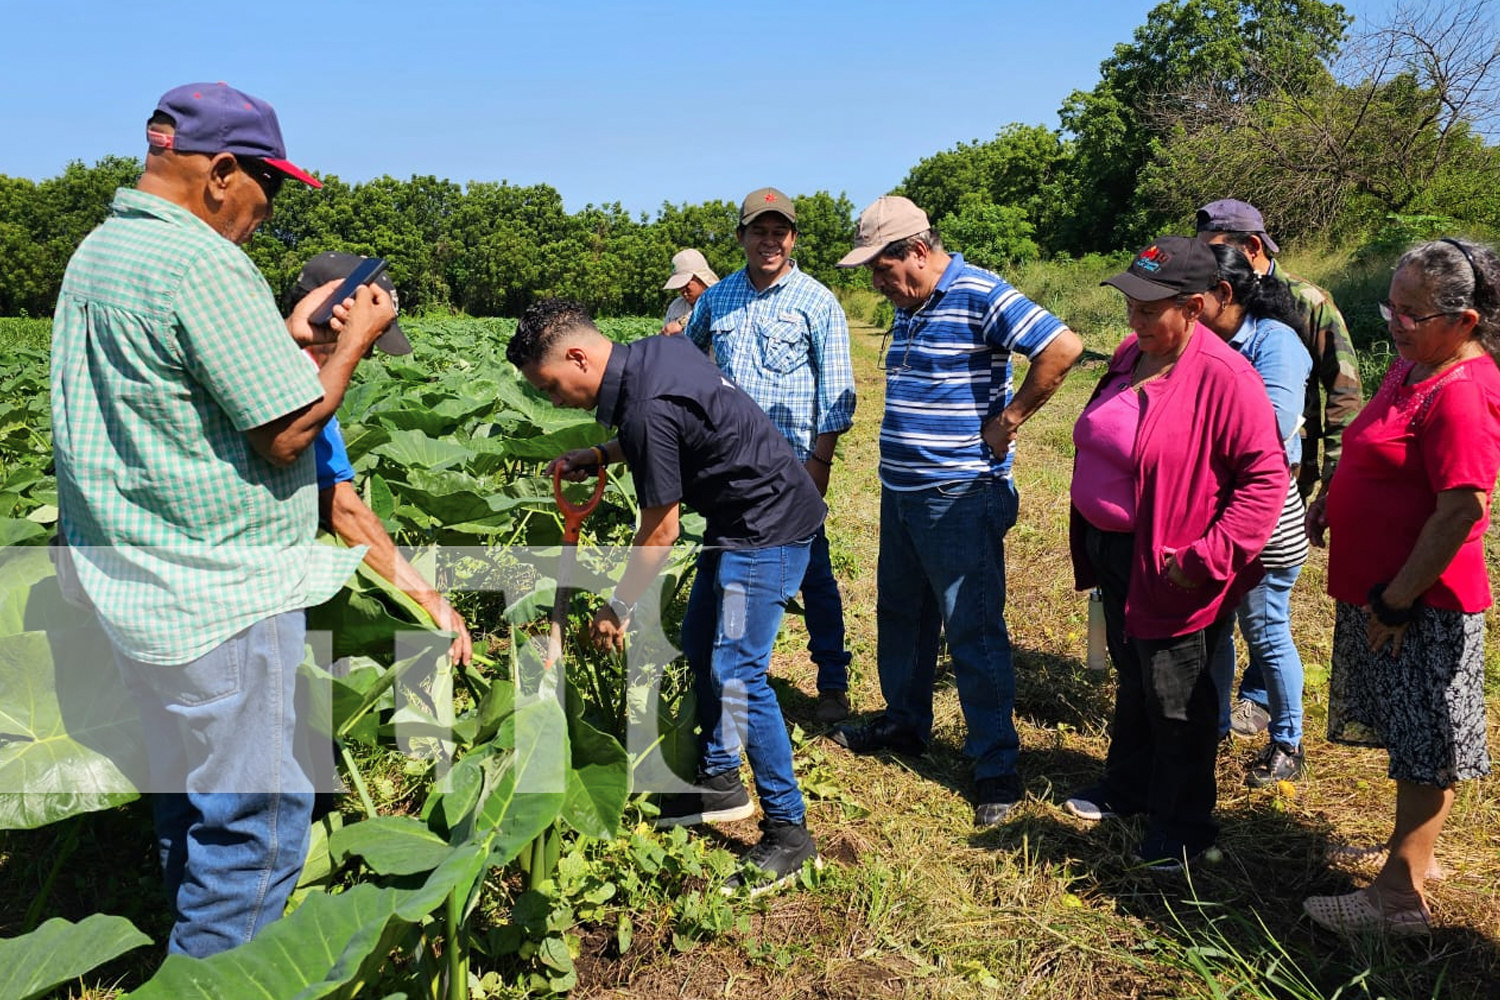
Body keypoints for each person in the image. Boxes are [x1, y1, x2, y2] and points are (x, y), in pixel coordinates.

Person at [50, 83, 394, 956]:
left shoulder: (100, 253)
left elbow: (176, 396)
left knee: (191, 805)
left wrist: (290, 340)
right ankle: (214, 977)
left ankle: (188, 955)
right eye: (264, 189)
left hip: (137, 593)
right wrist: (350, 343)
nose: (266, 211)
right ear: (221, 173)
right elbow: (287, 434)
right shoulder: (203, 262)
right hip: (222, 601)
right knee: (257, 832)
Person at [508, 299, 825, 894]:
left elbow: (661, 529)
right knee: (704, 644)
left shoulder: (645, 407)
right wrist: (601, 454)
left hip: (766, 530)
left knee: (738, 675)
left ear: (578, 356)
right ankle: (720, 781)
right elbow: (672, 428)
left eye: (549, 385)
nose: (552, 401)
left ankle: (790, 834)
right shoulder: (655, 354)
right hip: (739, 522)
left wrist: (617, 608)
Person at [828, 195, 1083, 826]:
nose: (879, 284)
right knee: (902, 615)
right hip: (904, 491)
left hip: (961, 494)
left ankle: (996, 765)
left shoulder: (978, 291)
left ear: (916, 249)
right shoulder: (911, 303)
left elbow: (1063, 345)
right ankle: (906, 723)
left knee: (971, 626)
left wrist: (1012, 417)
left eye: (883, 270)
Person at [1062, 237, 1285, 871]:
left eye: (1147, 309)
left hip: (1178, 562)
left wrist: (1207, 557)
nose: (1132, 321)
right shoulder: (1135, 352)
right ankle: (1129, 787)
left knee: (1178, 691)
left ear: (1193, 306)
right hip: (1117, 549)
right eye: (1129, 305)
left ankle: (1184, 823)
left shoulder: (1225, 377)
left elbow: (1265, 478)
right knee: (1135, 676)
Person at [1302, 238, 1500, 938]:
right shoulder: (1419, 365)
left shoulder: (1464, 391)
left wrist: (1396, 600)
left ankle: (1398, 898)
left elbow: (1461, 510)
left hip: (1420, 606)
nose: (1395, 321)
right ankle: (1413, 858)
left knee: (1425, 748)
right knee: (1407, 737)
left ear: (1465, 321)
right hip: (1384, 595)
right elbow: (1372, 440)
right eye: (1394, 304)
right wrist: (1333, 495)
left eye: (1413, 312)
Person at [684, 187, 856, 724]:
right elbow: (686, 366)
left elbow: (838, 390)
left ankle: (831, 680)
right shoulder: (717, 300)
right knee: (726, 568)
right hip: (730, 471)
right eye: (759, 231)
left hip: (793, 468)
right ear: (741, 238)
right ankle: (726, 671)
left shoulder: (816, 300)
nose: (769, 241)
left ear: (793, 238)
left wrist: (819, 465)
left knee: (815, 575)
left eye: (779, 231)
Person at [1196, 200, 1361, 740]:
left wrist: (1334, 480)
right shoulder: (1211, 297)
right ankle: (1231, 705)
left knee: (1266, 611)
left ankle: (1266, 704)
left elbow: (1342, 388)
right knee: (1232, 609)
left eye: (1212, 248)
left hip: (1289, 459)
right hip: (1228, 473)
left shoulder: (1305, 303)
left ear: (1250, 246)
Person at [289, 253, 472, 667]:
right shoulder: (301, 384)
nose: (369, 354)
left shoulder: (272, 364)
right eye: (369, 335)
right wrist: (430, 600)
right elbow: (341, 508)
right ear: (331, 312)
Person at [1201, 243, 1314, 787]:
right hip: (1211, 513)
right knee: (1216, 628)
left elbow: (1270, 425)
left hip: (1264, 513)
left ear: (1225, 295)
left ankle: (1288, 742)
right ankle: (1216, 725)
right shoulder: (1208, 340)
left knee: (1266, 628)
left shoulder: (1277, 343)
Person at [661, 248, 718, 335]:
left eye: (686, 286)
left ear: (700, 278)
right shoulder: (675, 306)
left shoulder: (719, 300)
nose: (683, 292)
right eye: (679, 287)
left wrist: (681, 323)